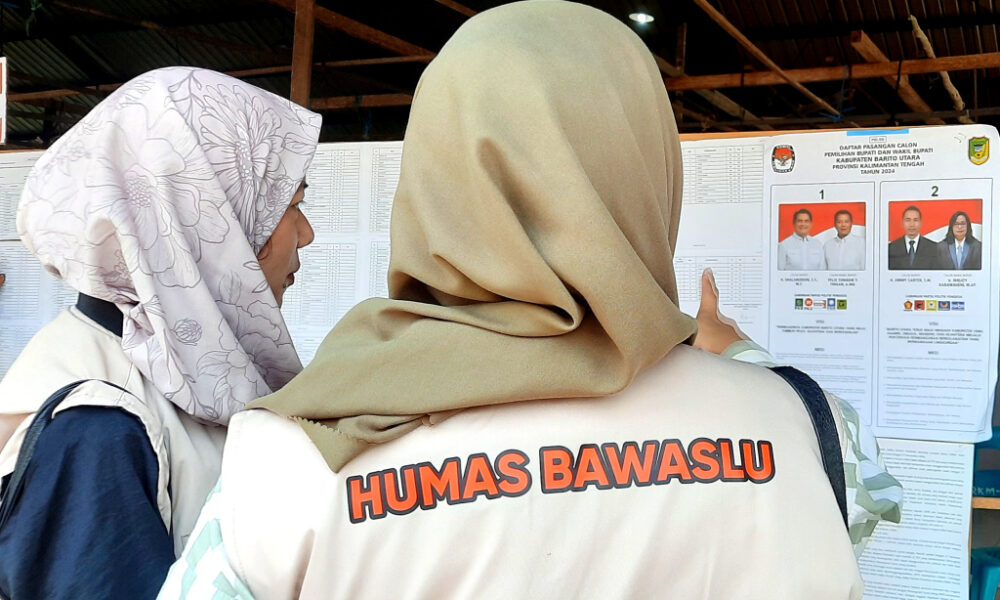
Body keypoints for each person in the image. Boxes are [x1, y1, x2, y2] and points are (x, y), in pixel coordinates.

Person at [160, 4, 900, 599]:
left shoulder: (290, 456)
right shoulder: (803, 428)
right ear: (646, 167)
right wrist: (737, 354)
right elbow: (864, 503)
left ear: (435, 170)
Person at [0, 67, 320, 599]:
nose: (305, 234)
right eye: (292, 205)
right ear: (207, 220)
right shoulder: (95, 428)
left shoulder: (183, 374)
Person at [887, 205, 938, 270]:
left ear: (921, 223)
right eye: (908, 220)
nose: (912, 225)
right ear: (902, 223)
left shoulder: (934, 248)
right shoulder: (891, 248)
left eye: (915, 220)